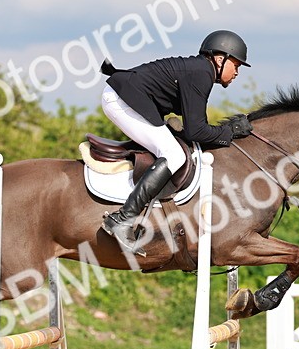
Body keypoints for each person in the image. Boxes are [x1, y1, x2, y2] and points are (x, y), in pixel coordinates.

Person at [99, 29, 254, 251]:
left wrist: (222, 131)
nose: (237, 72)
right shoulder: (201, 73)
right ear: (220, 59)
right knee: (173, 155)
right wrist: (229, 132)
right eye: (236, 65)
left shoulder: (200, 70)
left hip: (125, 96)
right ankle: (123, 218)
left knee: (173, 148)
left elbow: (194, 125)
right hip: (120, 100)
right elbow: (196, 131)